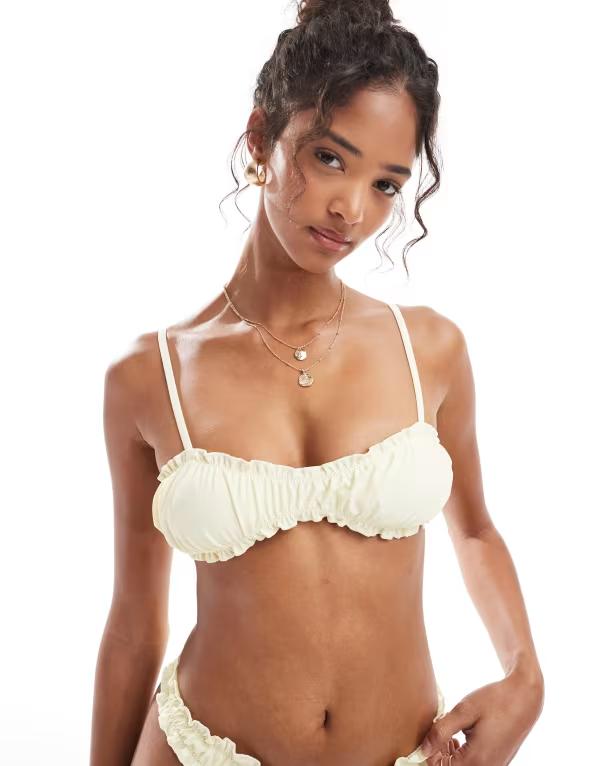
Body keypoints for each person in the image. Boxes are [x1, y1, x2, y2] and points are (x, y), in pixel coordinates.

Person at [90, 1, 544, 764]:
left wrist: (526, 678)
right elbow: (136, 623)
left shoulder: (428, 349)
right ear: (261, 139)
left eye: (387, 184)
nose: (351, 210)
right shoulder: (150, 376)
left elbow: (473, 529)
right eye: (331, 158)